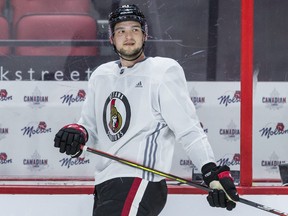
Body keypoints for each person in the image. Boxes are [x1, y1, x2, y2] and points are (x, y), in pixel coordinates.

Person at [54, 4, 239, 216]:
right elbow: (89, 127)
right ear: (112, 39)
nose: (129, 36)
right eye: (121, 31)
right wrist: (77, 134)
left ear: (145, 36)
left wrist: (211, 172)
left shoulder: (162, 71)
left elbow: (188, 129)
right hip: (105, 183)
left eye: (135, 29)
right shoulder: (101, 76)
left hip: (139, 180)